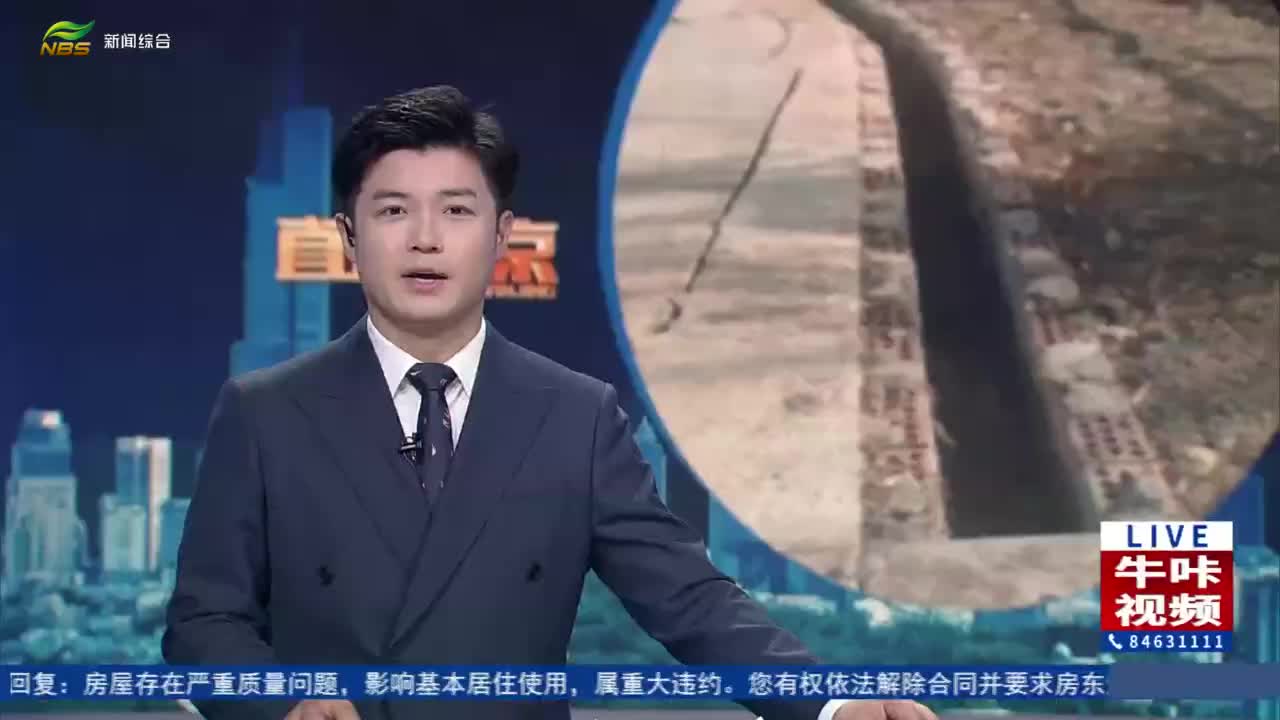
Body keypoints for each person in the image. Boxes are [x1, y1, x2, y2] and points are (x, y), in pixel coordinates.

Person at [163, 85, 938, 720]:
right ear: (347, 235)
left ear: (503, 236)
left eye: (457, 210)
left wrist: (830, 705)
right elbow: (203, 626)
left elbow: (690, 598)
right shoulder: (265, 413)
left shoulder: (576, 417)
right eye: (393, 210)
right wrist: (282, 703)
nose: (425, 239)